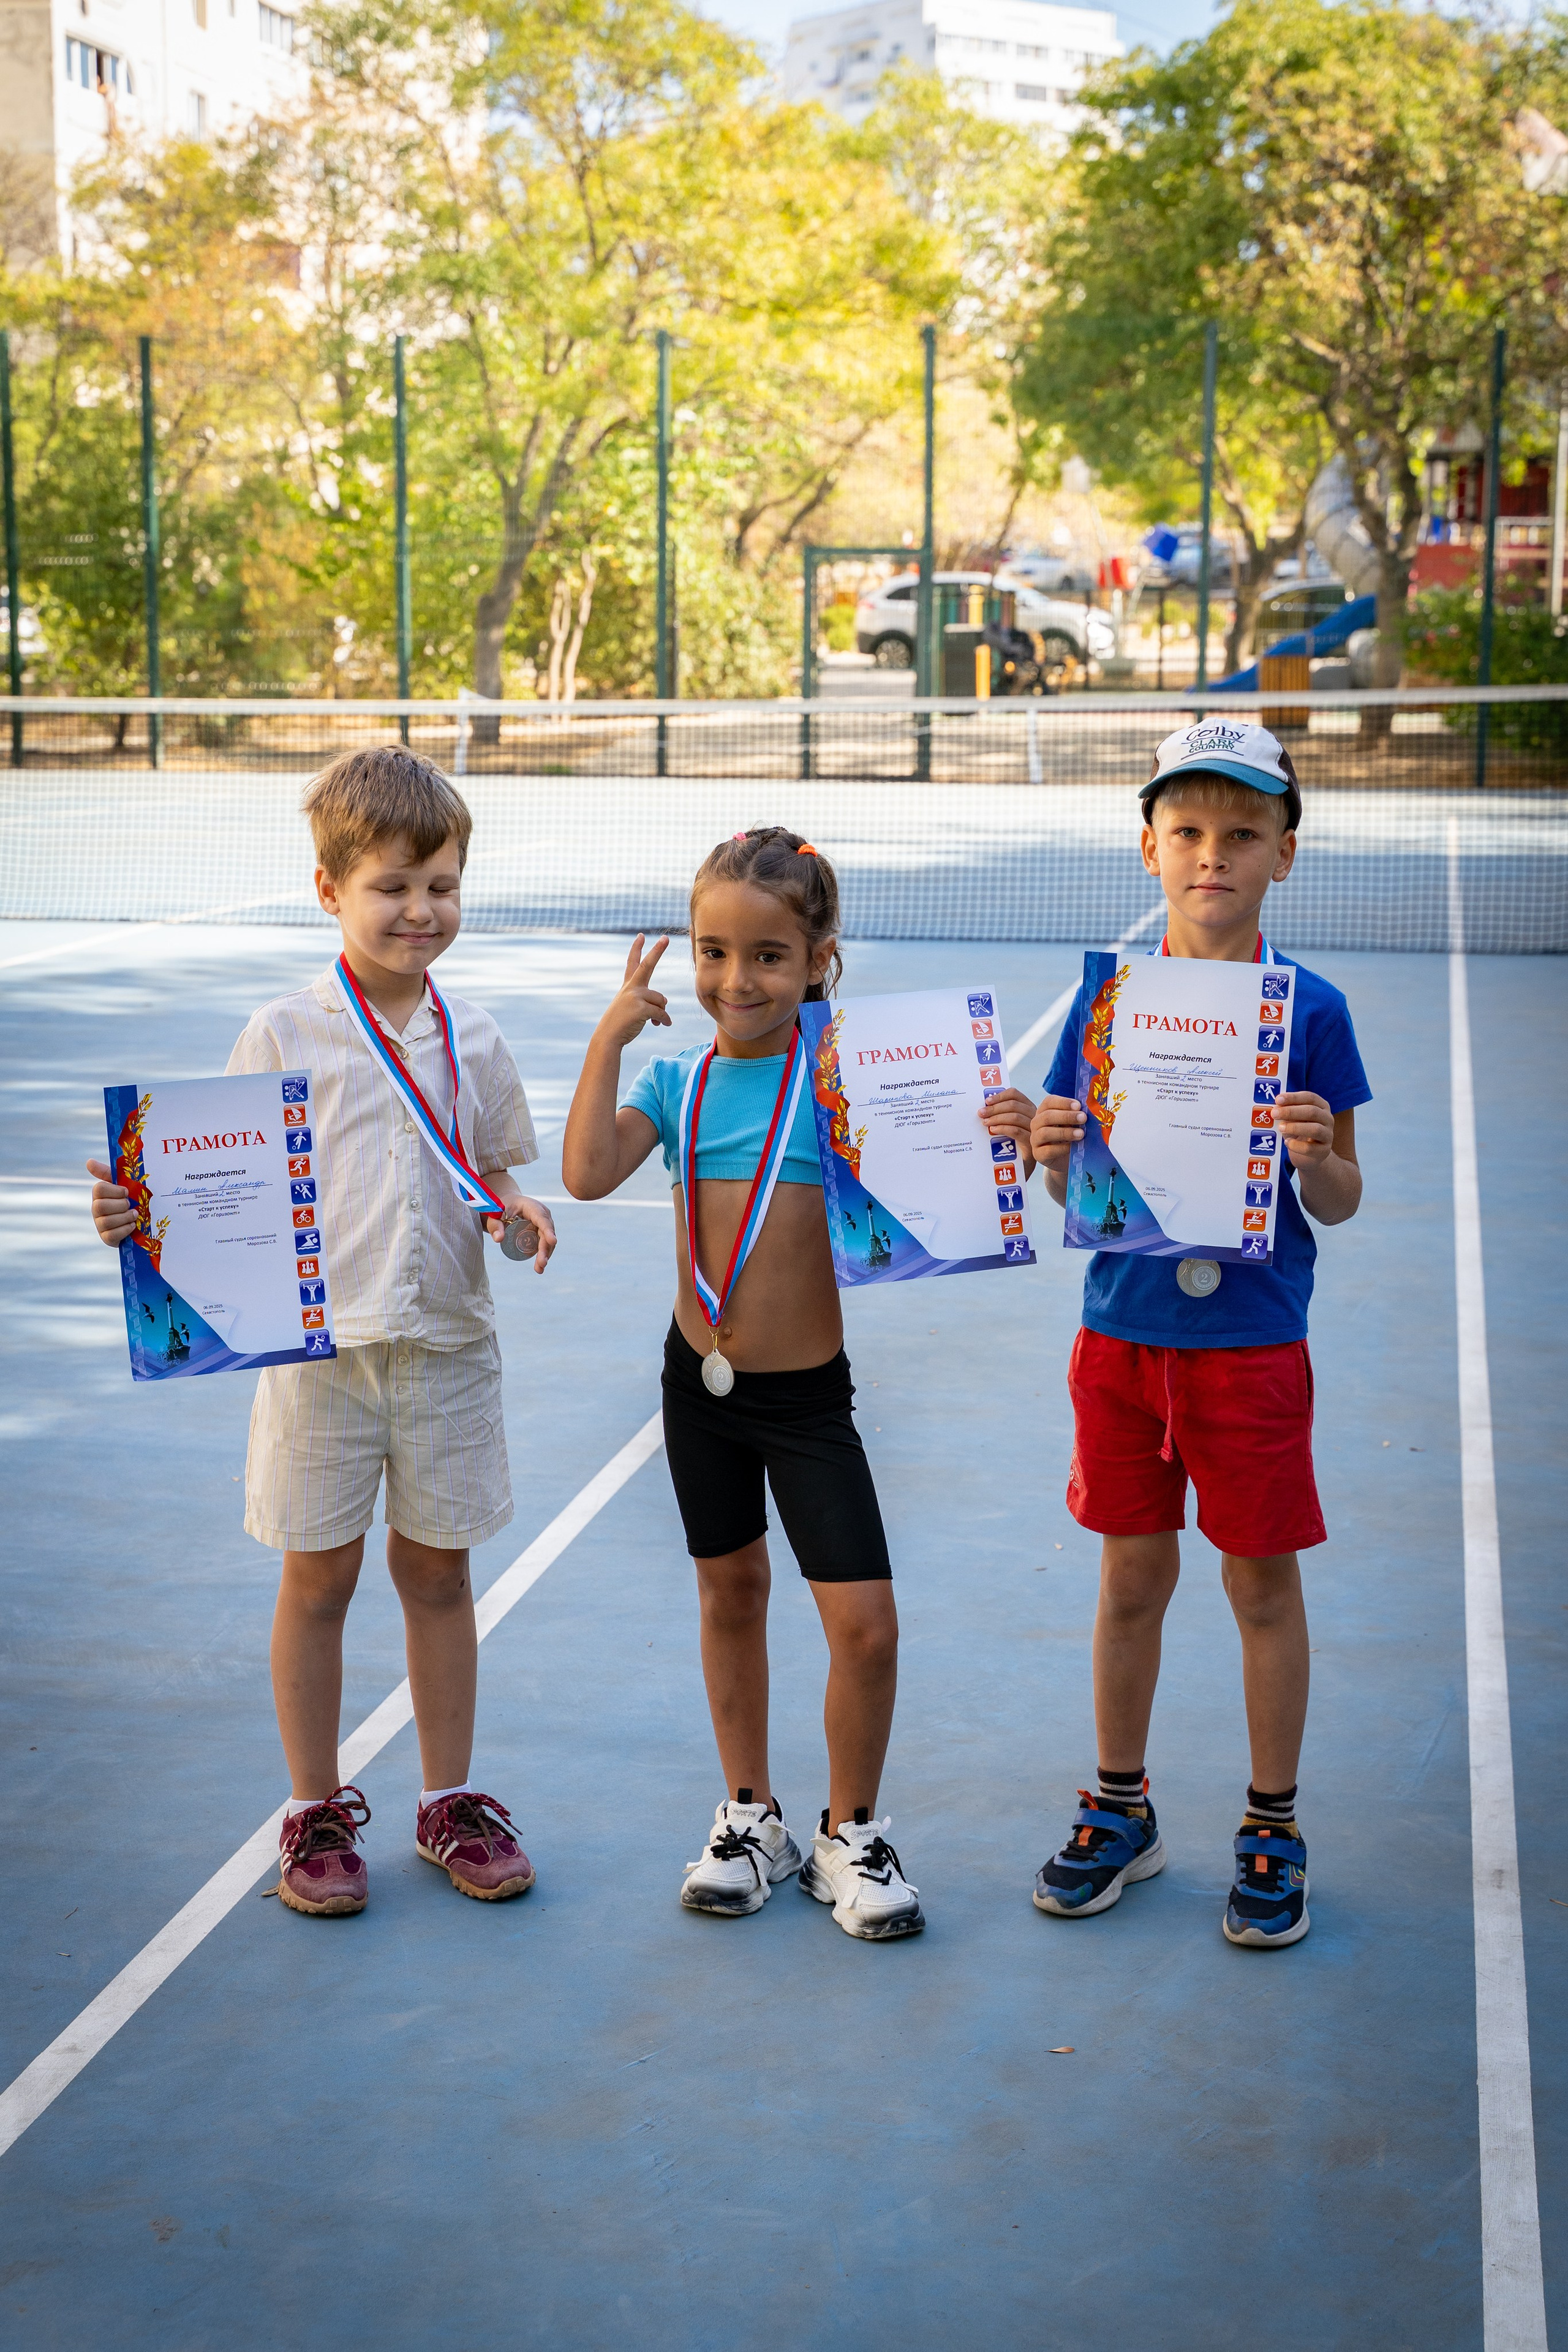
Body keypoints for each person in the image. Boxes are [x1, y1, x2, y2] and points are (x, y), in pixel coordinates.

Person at [89, 747, 557, 1917]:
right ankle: (313, 1809)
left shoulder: (477, 1037)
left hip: (447, 1350)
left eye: (441, 884)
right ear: (330, 892)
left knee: (439, 1578)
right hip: (316, 1365)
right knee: (318, 1583)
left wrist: (521, 1211)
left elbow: (490, 1172)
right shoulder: (282, 1032)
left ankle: (448, 1800)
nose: (421, 910)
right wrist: (135, 1217)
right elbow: (217, 1191)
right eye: (393, 886)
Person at [562, 826, 1035, 1940]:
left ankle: (851, 1835)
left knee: (864, 1626)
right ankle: (750, 1817)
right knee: (730, 1596)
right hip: (699, 1391)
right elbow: (583, 1175)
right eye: (713, 951)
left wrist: (999, 1132)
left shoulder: (849, 1085)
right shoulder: (678, 1081)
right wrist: (609, 1042)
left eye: (769, 956)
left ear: (820, 957)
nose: (737, 980)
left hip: (809, 1401)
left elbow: (957, 1184)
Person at [1028, 721, 1370, 1948]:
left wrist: (1315, 1153)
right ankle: (1121, 1807)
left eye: (1239, 833)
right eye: (1185, 832)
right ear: (1147, 850)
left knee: (1258, 1585)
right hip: (1118, 1339)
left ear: (1284, 852)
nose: (1209, 855)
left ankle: (1269, 1823)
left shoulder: (1310, 1013)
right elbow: (1081, 1195)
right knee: (1128, 1580)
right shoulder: (1103, 1005)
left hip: (1250, 1348)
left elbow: (1337, 1200)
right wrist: (1050, 1158)